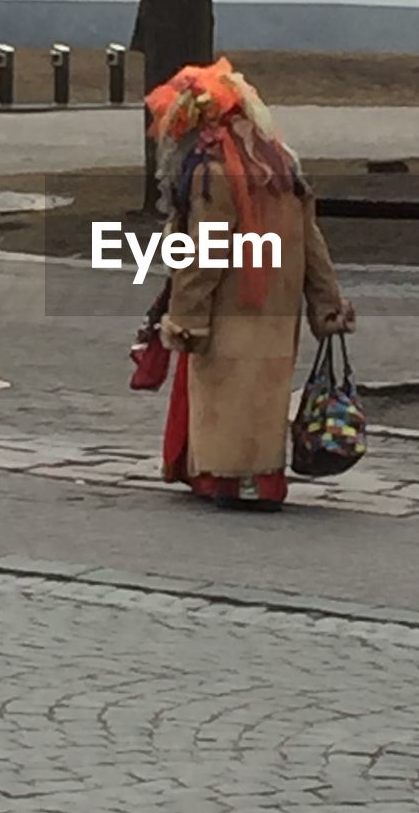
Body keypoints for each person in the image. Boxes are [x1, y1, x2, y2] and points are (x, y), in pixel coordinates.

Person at [144, 56, 354, 512]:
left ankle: (230, 482)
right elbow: (310, 239)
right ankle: (265, 481)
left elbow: (206, 252)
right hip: (280, 306)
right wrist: (326, 302)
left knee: (226, 395)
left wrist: (187, 318)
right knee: (265, 396)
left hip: (231, 303)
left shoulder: (212, 171)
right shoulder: (281, 165)